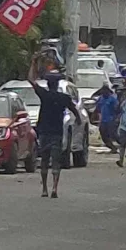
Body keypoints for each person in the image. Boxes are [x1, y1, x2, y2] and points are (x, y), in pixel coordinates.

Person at [28, 56, 81, 199]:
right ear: (57, 84)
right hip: (57, 133)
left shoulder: (44, 95)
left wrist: (33, 63)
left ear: (48, 84)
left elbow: (31, 80)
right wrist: (78, 120)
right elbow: (74, 110)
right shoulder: (63, 98)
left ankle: (44, 189)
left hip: (44, 132)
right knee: (56, 161)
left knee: (44, 161)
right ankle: (54, 188)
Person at [96, 85, 119, 153]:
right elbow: (98, 109)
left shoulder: (112, 99)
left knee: (113, 135)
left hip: (111, 120)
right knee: (103, 135)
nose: (103, 93)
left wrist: (116, 118)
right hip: (103, 120)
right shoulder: (100, 98)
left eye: (105, 91)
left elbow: (117, 109)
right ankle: (112, 147)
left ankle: (122, 143)